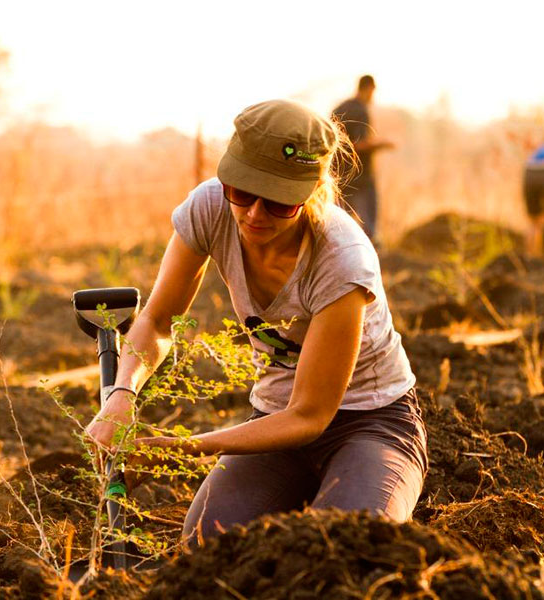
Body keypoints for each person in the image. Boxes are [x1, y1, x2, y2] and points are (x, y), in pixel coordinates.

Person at [85, 99, 427, 544]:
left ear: (313, 191)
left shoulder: (342, 260)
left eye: (279, 203)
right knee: (209, 543)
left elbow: (309, 416)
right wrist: (122, 394)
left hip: (370, 422)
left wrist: (176, 451)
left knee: (344, 544)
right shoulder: (209, 208)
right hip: (272, 421)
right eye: (242, 192)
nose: (253, 215)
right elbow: (158, 319)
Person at [332, 75, 394, 242]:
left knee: (336, 225)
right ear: (369, 89)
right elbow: (358, 145)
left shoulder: (340, 107)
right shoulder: (360, 110)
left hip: (339, 176)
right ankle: (374, 257)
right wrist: (383, 144)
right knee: (369, 226)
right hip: (361, 177)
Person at [524, 143, 544, 256]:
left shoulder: (539, 149)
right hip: (543, 172)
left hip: (529, 172)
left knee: (534, 221)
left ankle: (530, 256)